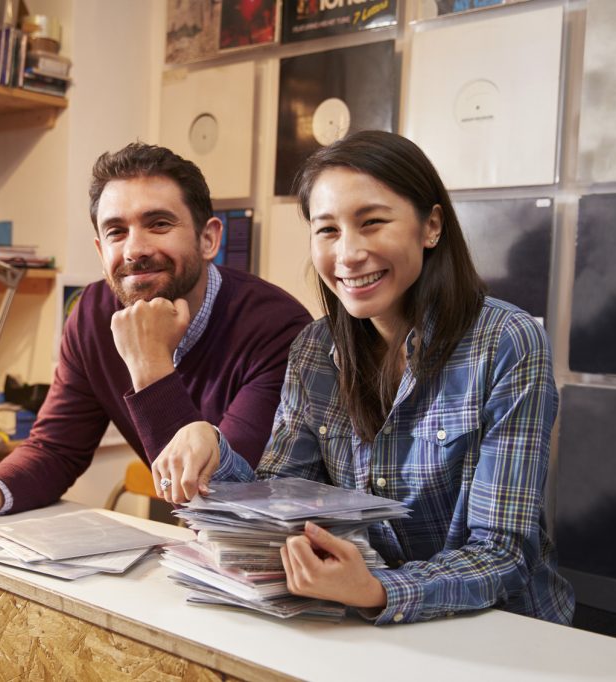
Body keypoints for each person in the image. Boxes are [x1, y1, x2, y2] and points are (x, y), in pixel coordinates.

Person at [152, 130, 575, 626]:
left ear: (431, 226)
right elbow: (281, 502)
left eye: (372, 223)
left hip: (501, 633)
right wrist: (213, 446)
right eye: (327, 230)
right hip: (366, 629)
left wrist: (377, 590)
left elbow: (502, 552)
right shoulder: (314, 349)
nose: (348, 254)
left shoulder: (507, 342)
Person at [0, 142, 312, 561]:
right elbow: (56, 451)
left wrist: (150, 367)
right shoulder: (91, 314)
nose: (135, 249)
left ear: (208, 239)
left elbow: (223, 508)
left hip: (276, 561)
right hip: (198, 564)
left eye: (159, 224)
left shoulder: (278, 329)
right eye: (116, 231)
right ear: (100, 249)